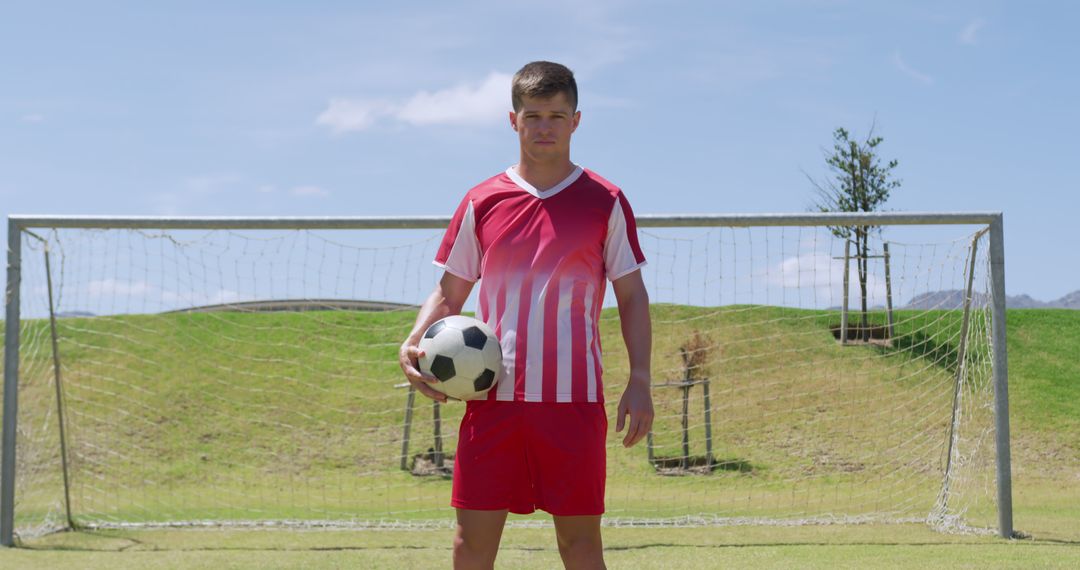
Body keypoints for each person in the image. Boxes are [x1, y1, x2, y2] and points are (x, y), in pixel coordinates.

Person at [399, 60, 653, 570]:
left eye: (556, 116)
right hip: (492, 399)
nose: (544, 126)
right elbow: (450, 293)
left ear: (576, 121)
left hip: (573, 402)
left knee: (579, 547)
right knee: (470, 546)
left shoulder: (605, 201)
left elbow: (631, 296)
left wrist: (641, 377)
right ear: (512, 120)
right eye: (533, 114)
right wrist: (413, 341)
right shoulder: (482, 200)